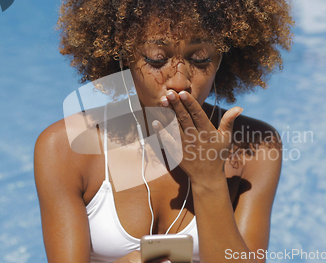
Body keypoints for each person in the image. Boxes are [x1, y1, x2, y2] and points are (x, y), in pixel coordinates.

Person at [34, 0, 293, 262]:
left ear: (221, 57)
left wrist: (209, 180)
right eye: (157, 59)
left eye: (200, 59)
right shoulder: (67, 147)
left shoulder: (256, 147)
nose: (179, 82)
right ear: (125, 56)